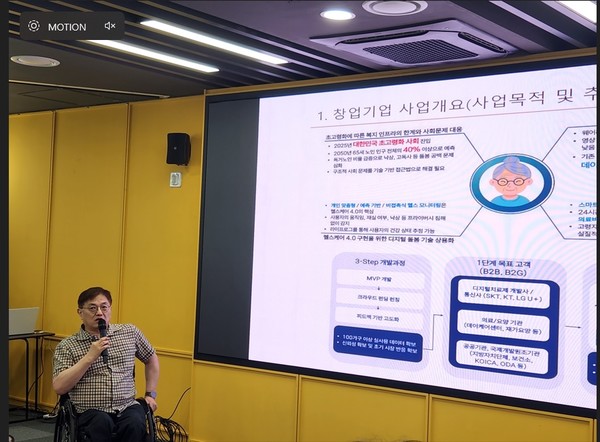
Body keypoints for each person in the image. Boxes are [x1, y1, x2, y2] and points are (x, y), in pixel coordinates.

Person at [52, 286, 159, 441]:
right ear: (80, 312)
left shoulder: (129, 332)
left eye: (104, 307)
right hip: (89, 410)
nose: (99, 313)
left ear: (110, 309)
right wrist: (89, 357)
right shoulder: (67, 345)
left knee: (135, 423)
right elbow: (59, 387)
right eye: (92, 308)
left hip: (127, 405)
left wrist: (150, 394)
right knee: (101, 423)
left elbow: (151, 358)